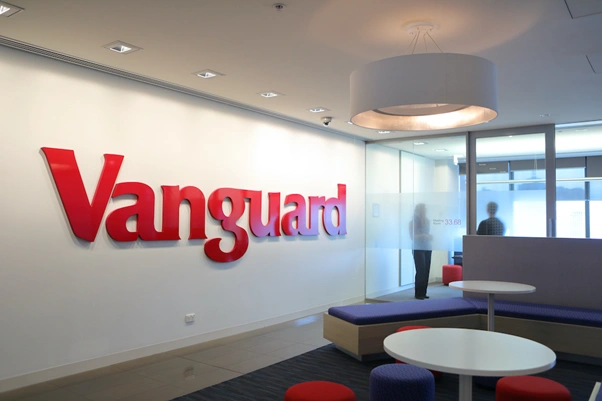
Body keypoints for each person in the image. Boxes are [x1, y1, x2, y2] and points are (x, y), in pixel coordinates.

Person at [409, 203, 433, 300]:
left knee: (426, 270)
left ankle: (423, 292)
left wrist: (429, 236)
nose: (425, 211)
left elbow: (428, 233)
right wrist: (424, 235)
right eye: (423, 209)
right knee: (421, 270)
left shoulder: (427, 221)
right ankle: (418, 293)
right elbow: (412, 236)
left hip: (427, 247)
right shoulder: (413, 222)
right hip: (418, 248)